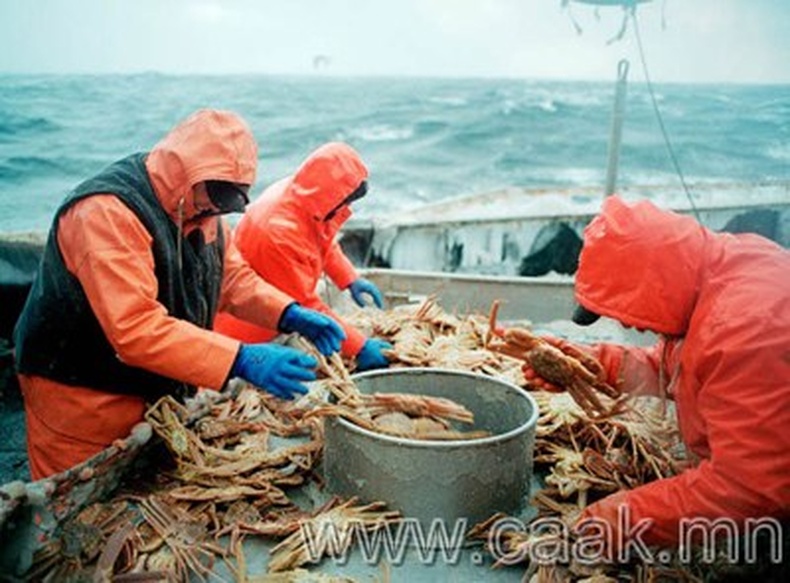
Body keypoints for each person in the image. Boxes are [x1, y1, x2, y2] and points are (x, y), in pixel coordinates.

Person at [13, 109, 346, 480]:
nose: (217, 209)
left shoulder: (202, 210)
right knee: (74, 506)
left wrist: (287, 312)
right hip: (80, 396)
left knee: (143, 496)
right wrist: (239, 358)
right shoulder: (105, 214)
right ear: (185, 171)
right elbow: (135, 328)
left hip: (152, 387)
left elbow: (231, 280)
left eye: (230, 199)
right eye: (215, 194)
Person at [534, 195, 790, 557]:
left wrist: (623, 518)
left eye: (623, 307)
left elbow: (749, 487)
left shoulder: (746, 330)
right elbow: (690, 368)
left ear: (653, 284)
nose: (624, 322)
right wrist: (595, 366)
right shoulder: (716, 272)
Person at [214, 142, 392, 372]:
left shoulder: (306, 194)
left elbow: (320, 240)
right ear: (332, 201)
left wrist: (348, 278)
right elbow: (305, 306)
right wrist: (359, 347)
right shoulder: (278, 233)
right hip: (249, 327)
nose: (347, 207)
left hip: (281, 310)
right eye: (346, 202)